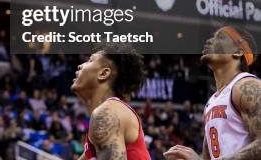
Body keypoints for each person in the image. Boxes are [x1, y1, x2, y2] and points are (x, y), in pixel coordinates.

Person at [165, 26, 260, 160]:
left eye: (220, 37)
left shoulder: (247, 86)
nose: (209, 40)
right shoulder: (212, 101)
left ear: (238, 52)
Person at [71, 44, 151, 159]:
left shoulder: (107, 113)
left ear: (103, 74)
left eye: (90, 60)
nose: (80, 66)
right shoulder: (108, 114)